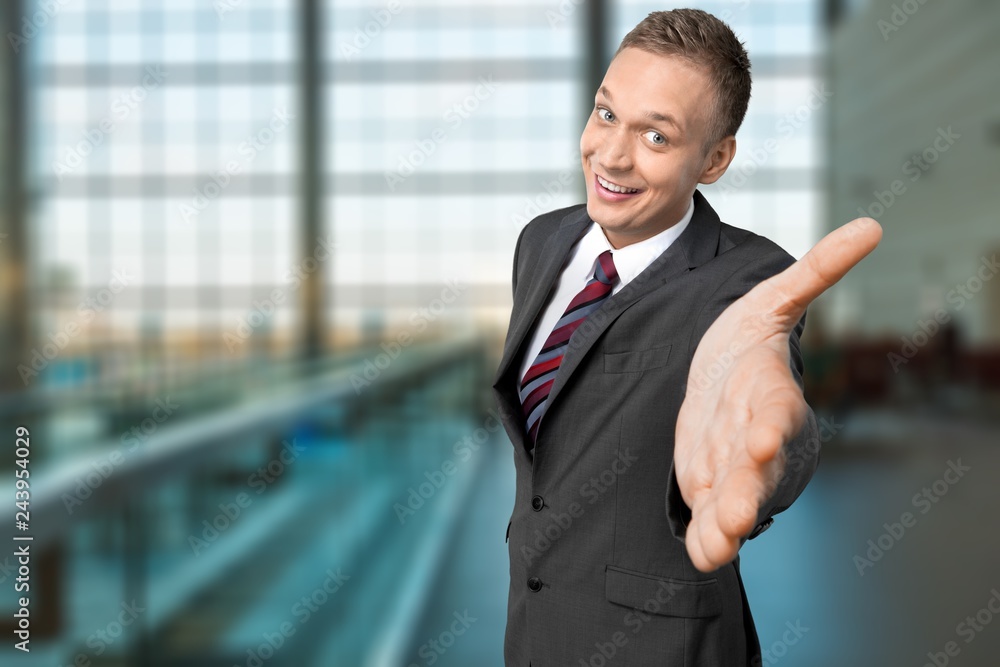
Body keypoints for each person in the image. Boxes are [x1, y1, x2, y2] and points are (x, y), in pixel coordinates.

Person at [490, 8, 882, 666]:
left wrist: (770, 461)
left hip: (662, 647)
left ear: (715, 159)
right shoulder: (541, 242)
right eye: (606, 113)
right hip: (532, 631)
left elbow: (757, 375)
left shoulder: (747, 277)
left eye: (658, 137)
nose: (610, 154)